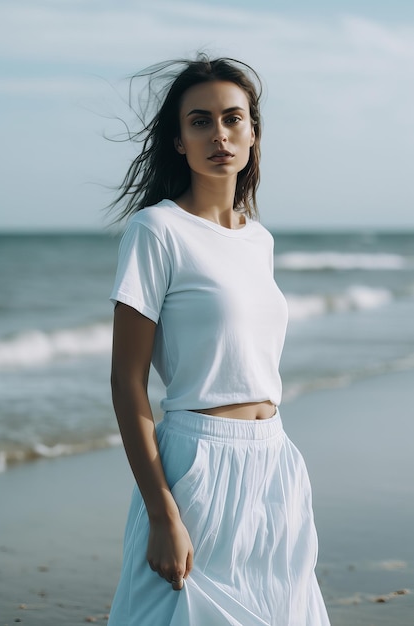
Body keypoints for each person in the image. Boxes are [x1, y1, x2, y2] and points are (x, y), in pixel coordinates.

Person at [107, 54, 331, 626]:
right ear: (179, 140)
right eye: (200, 121)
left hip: (275, 464)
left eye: (233, 119)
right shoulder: (155, 230)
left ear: (253, 133)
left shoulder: (259, 240)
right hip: (197, 463)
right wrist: (162, 513)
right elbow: (126, 382)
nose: (219, 135)